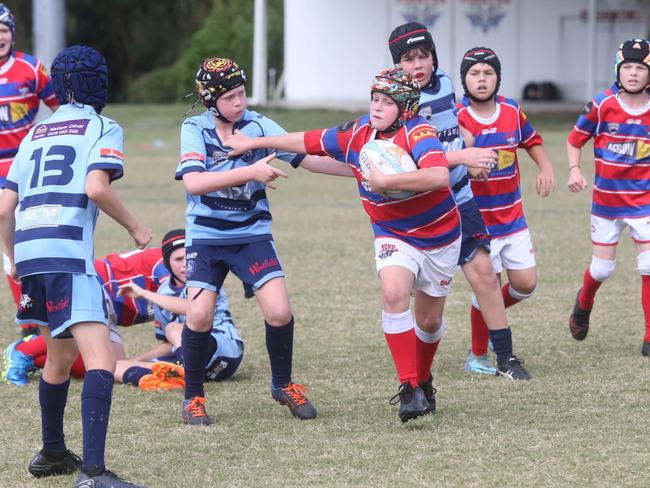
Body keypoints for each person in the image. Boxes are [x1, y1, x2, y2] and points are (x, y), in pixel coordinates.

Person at [226, 67, 460, 423]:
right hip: (393, 234)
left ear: (406, 106)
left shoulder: (420, 131)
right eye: (374, 99)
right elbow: (305, 140)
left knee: (429, 322)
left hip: (440, 235)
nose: (377, 107)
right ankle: (409, 388)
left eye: (387, 101)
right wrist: (253, 143)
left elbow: (439, 175)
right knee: (394, 294)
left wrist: (387, 180)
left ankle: (424, 378)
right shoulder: (357, 133)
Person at [0, 45, 151, 487]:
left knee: (60, 355)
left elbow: (3, 206)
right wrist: (137, 228)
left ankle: (51, 452)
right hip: (67, 255)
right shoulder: (103, 126)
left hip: (30, 256)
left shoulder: (35, 133)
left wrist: (12, 257)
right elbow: (96, 187)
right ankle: (94, 474)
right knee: (101, 358)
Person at [176, 57, 350, 425]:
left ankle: (282, 384)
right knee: (199, 314)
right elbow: (193, 183)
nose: (239, 102)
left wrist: (360, 171)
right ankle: (193, 396)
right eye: (229, 97)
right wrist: (251, 171)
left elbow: (306, 158)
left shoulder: (258, 125)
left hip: (252, 235)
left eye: (241, 94)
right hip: (206, 238)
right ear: (209, 100)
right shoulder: (194, 128)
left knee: (278, 311)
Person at [387, 22, 532, 379]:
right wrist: (463, 158)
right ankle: (417, 373)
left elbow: (452, 123)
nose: (418, 64)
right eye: (408, 59)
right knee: (428, 316)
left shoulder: (447, 82)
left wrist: (465, 142)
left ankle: (505, 358)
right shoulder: (396, 104)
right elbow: (412, 159)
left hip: (462, 198)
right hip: (424, 207)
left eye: (424, 55)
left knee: (485, 273)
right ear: (396, 64)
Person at [456, 47, 555, 366]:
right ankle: (478, 353)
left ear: (498, 77)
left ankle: (483, 306)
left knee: (526, 284)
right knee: (490, 284)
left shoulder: (512, 110)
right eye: (474, 74)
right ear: (464, 80)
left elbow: (532, 141)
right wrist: (467, 165)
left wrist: (546, 168)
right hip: (478, 222)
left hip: (513, 218)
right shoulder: (457, 116)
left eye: (488, 73)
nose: (482, 80)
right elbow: (442, 159)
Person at [567, 39, 650, 357]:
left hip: (644, 201)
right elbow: (574, 141)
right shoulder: (601, 105)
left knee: (648, 266)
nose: (632, 73)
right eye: (627, 67)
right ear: (618, 70)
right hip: (607, 203)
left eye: (640, 68)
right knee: (602, 270)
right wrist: (574, 170)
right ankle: (584, 303)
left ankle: (648, 338)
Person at [1, 245, 169, 385]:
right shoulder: (175, 262)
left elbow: (172, 340)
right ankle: (23, 350)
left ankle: (34, 358)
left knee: (109, 369)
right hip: (99, 285)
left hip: (113, 310)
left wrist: (139, 360)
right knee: (94, 354)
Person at [116, 229, 244, 388]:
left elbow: (192, 309)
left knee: (173, 328)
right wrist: (136, 360)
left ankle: (186, 371)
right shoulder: (162, 293)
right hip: (196, 362)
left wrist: (144, 293)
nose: (185, 264)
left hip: (223, 352)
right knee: (115, 366)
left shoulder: (207, 279)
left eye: (189, 257)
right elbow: (170, 344)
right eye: (178, 259)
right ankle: (161, 379)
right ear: (167, 263)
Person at [0, 3, 59, 337]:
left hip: (24, 174)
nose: (0, 37)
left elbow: (62, 109)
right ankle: (30, 318)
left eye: (4, 30)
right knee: (9, 255)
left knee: (25, 246)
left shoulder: (31, 68)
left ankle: (36, 317)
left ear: (12, 33)